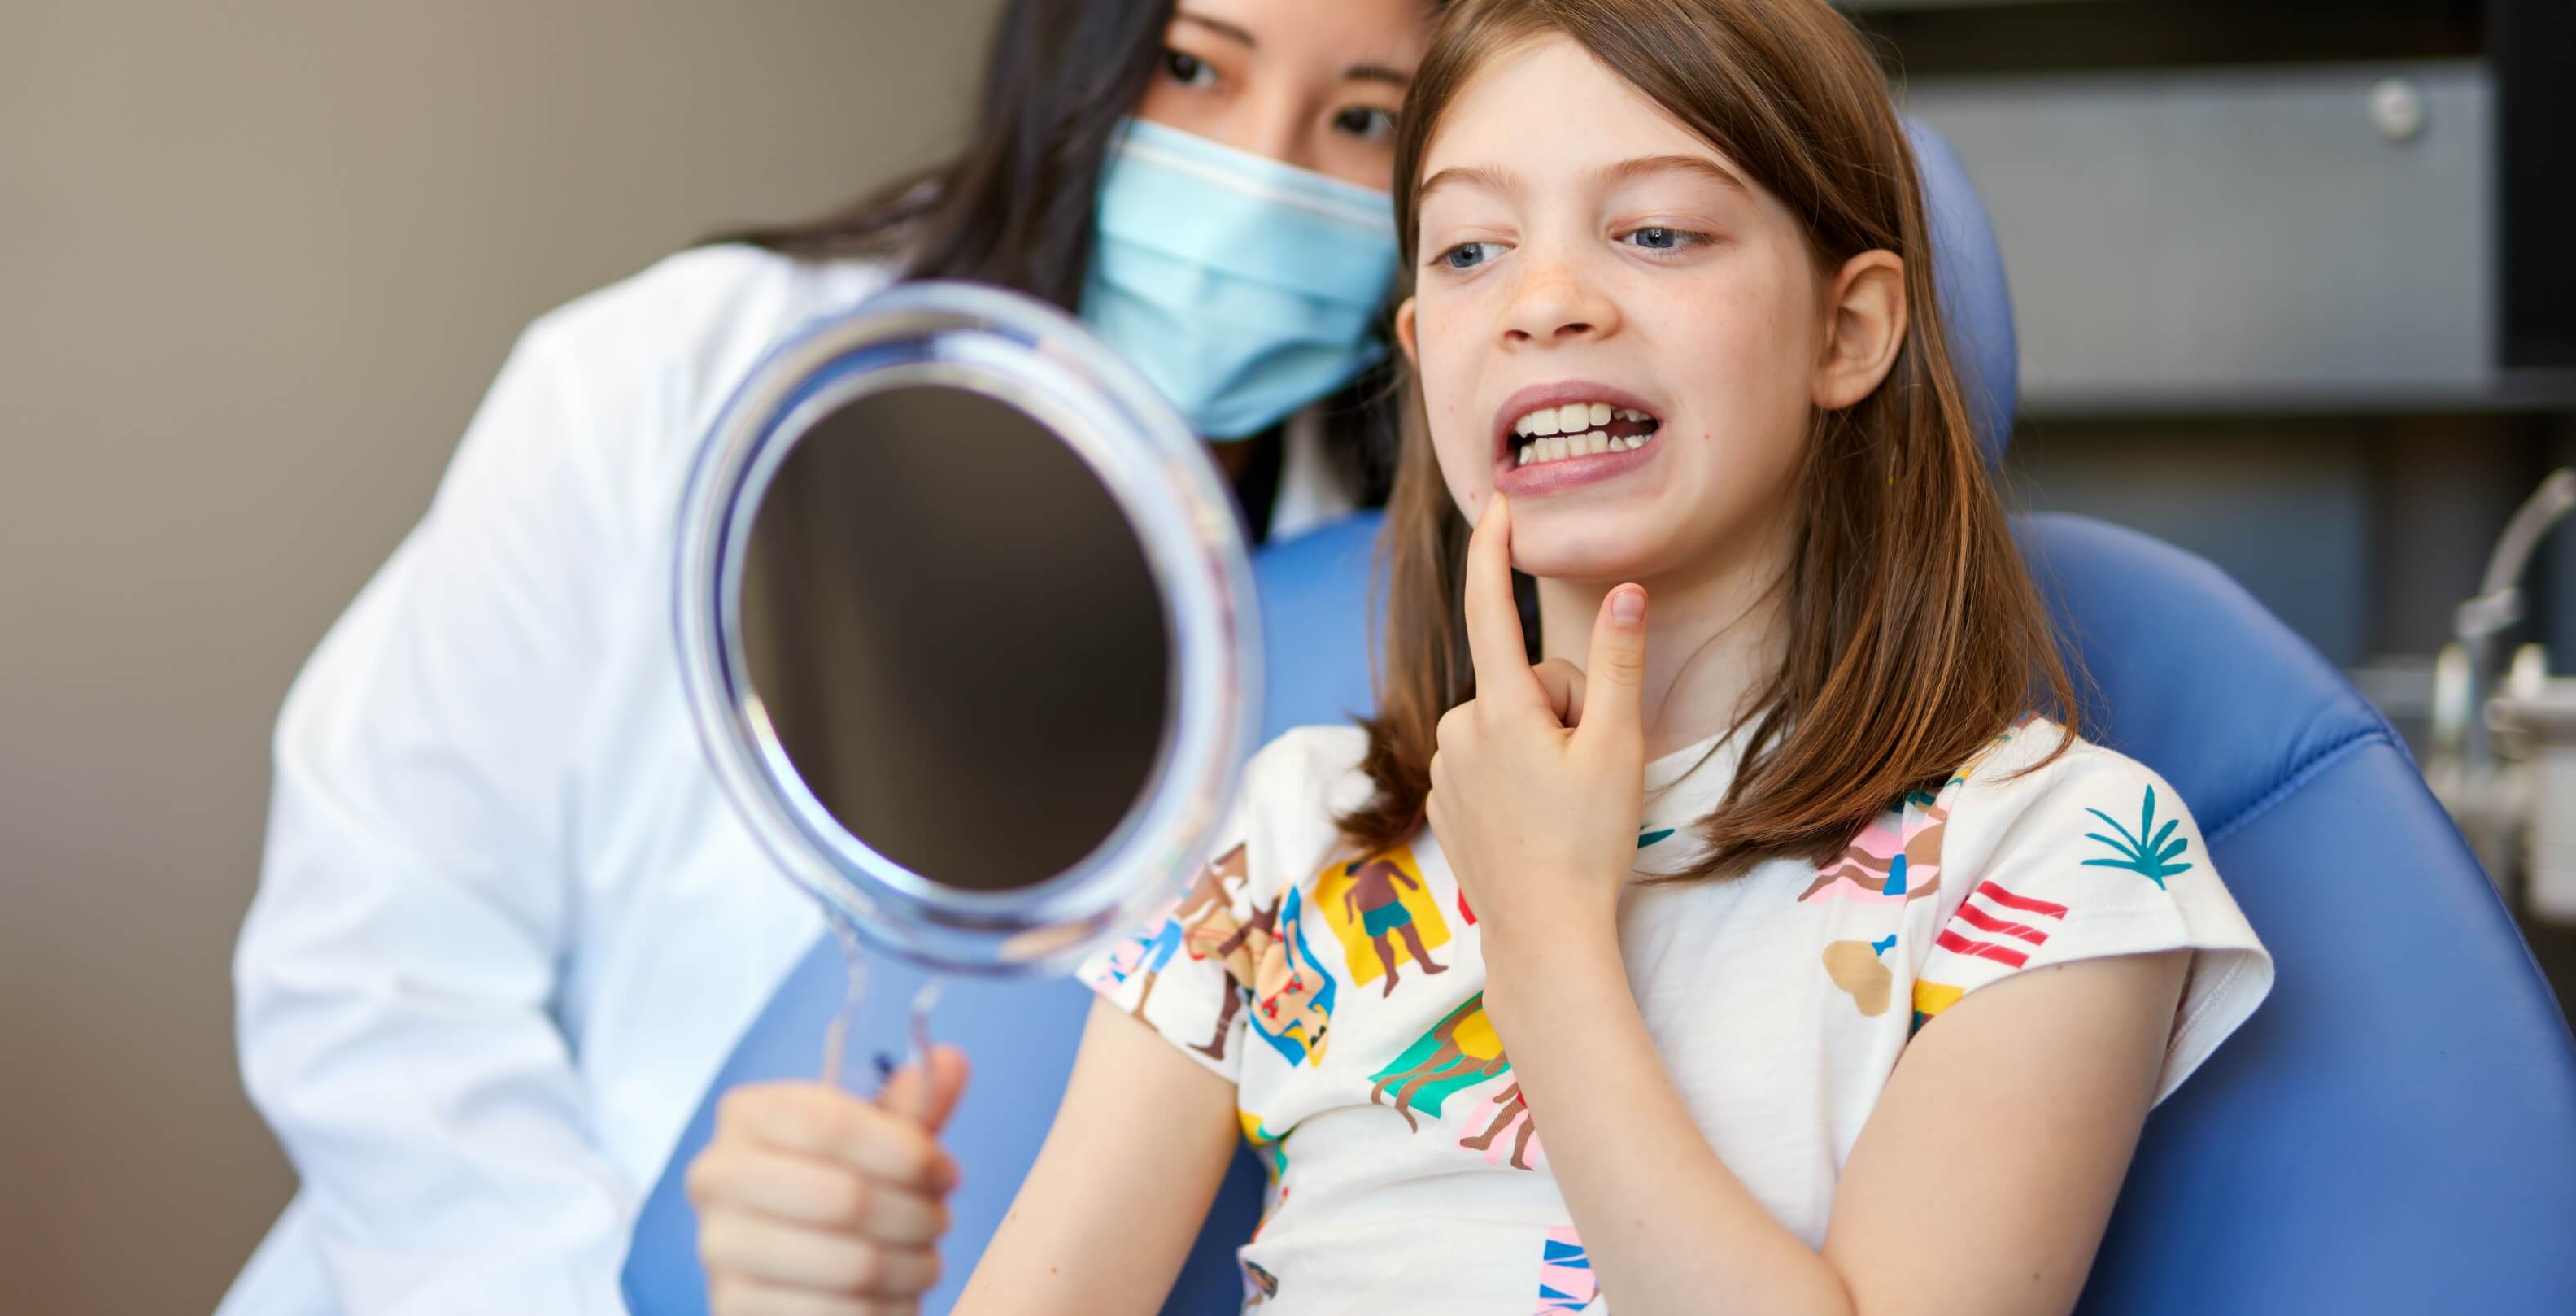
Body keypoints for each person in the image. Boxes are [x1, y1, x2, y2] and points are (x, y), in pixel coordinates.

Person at [681, 2, 2279, 1312]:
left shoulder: (2055, 853)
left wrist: (1546, 934)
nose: (1545, 301)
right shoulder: (1288, 829)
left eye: (1653, 230)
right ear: (1421, 356)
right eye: (1466, 253)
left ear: (1848, 332)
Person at [217, 2, 1438, 1313]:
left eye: (1364, 117)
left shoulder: (1389, 597)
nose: (1258, 176)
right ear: (1067, 56)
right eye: (1188, 68)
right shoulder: (670, 381)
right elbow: (374, 965)